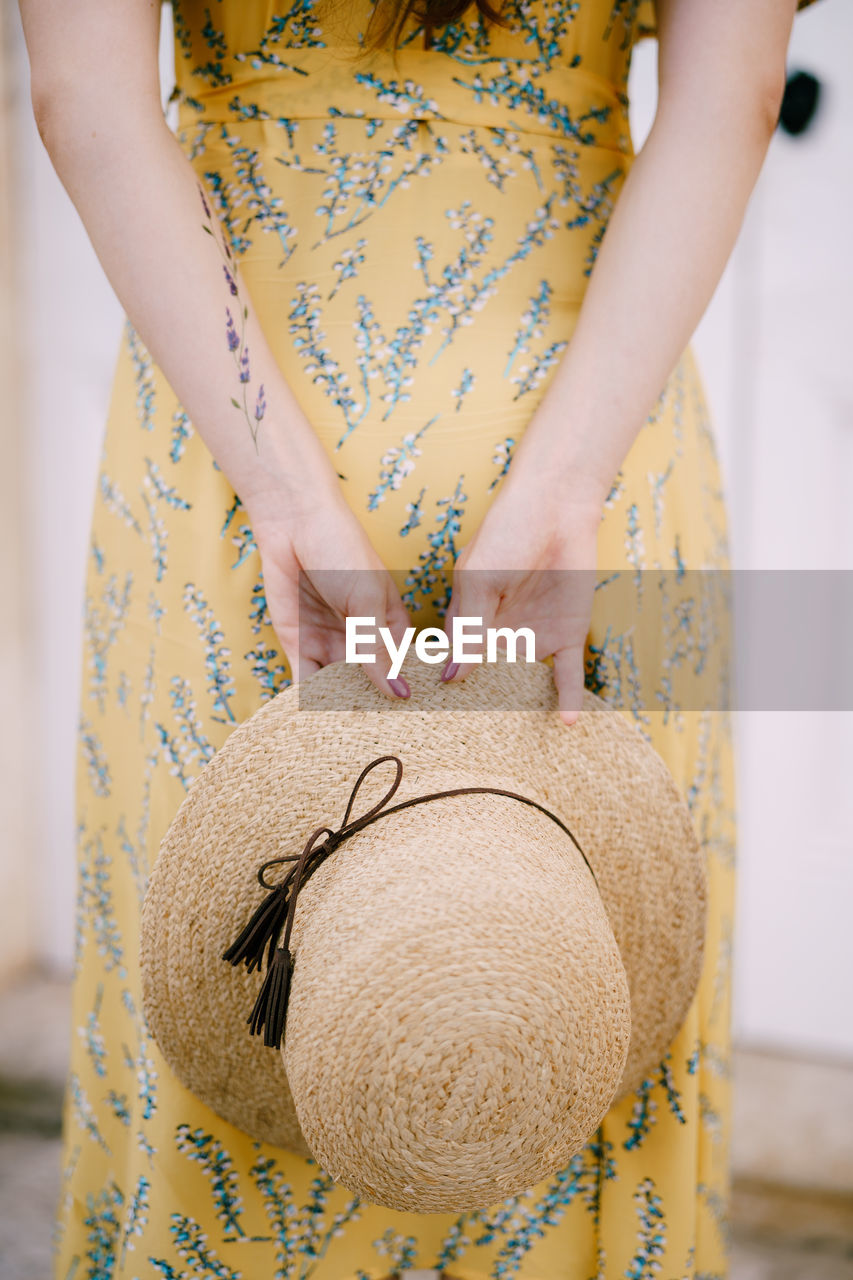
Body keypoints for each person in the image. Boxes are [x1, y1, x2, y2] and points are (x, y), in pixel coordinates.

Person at [19, 0, 816, 1274]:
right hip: (579, 439)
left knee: (247, 964)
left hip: (239, 450)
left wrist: (283, 496)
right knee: (552, 977)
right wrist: (569, 480)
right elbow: (733, 88)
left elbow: (86, 98)